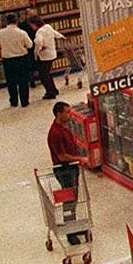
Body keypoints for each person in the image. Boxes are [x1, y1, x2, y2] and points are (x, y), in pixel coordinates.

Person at [48, 102, 86, 244]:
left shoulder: (65, 127)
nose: (70, 115)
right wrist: (80, 158)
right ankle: (70, 233)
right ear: (59, 114)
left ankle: (73, 225)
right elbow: (62, 157)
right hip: (65, 170)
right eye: (67, 112)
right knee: (69, 200)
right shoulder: (55, 133)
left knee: (73, 199)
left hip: (72, 168)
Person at [0, 14, 33, 107]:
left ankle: (13, 101)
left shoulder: (0, 33)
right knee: (23, 80)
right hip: (21, 59)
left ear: (6, 22)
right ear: (17, 21)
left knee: (11, 82)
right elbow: (30, 45)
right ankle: (24, 101)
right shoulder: (22, 33)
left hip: (8, 60)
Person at [32, 16, 64, 100]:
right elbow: (55, 33)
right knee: (47, 73)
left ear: (34, 24)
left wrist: (38, 49)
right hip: (52, 53)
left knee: (43, 75)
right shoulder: (48, 26)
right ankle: (54, 89)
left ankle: (50, 92)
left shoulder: (39, 31)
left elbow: (38, 41)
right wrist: (62, 37)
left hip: (44, 56)